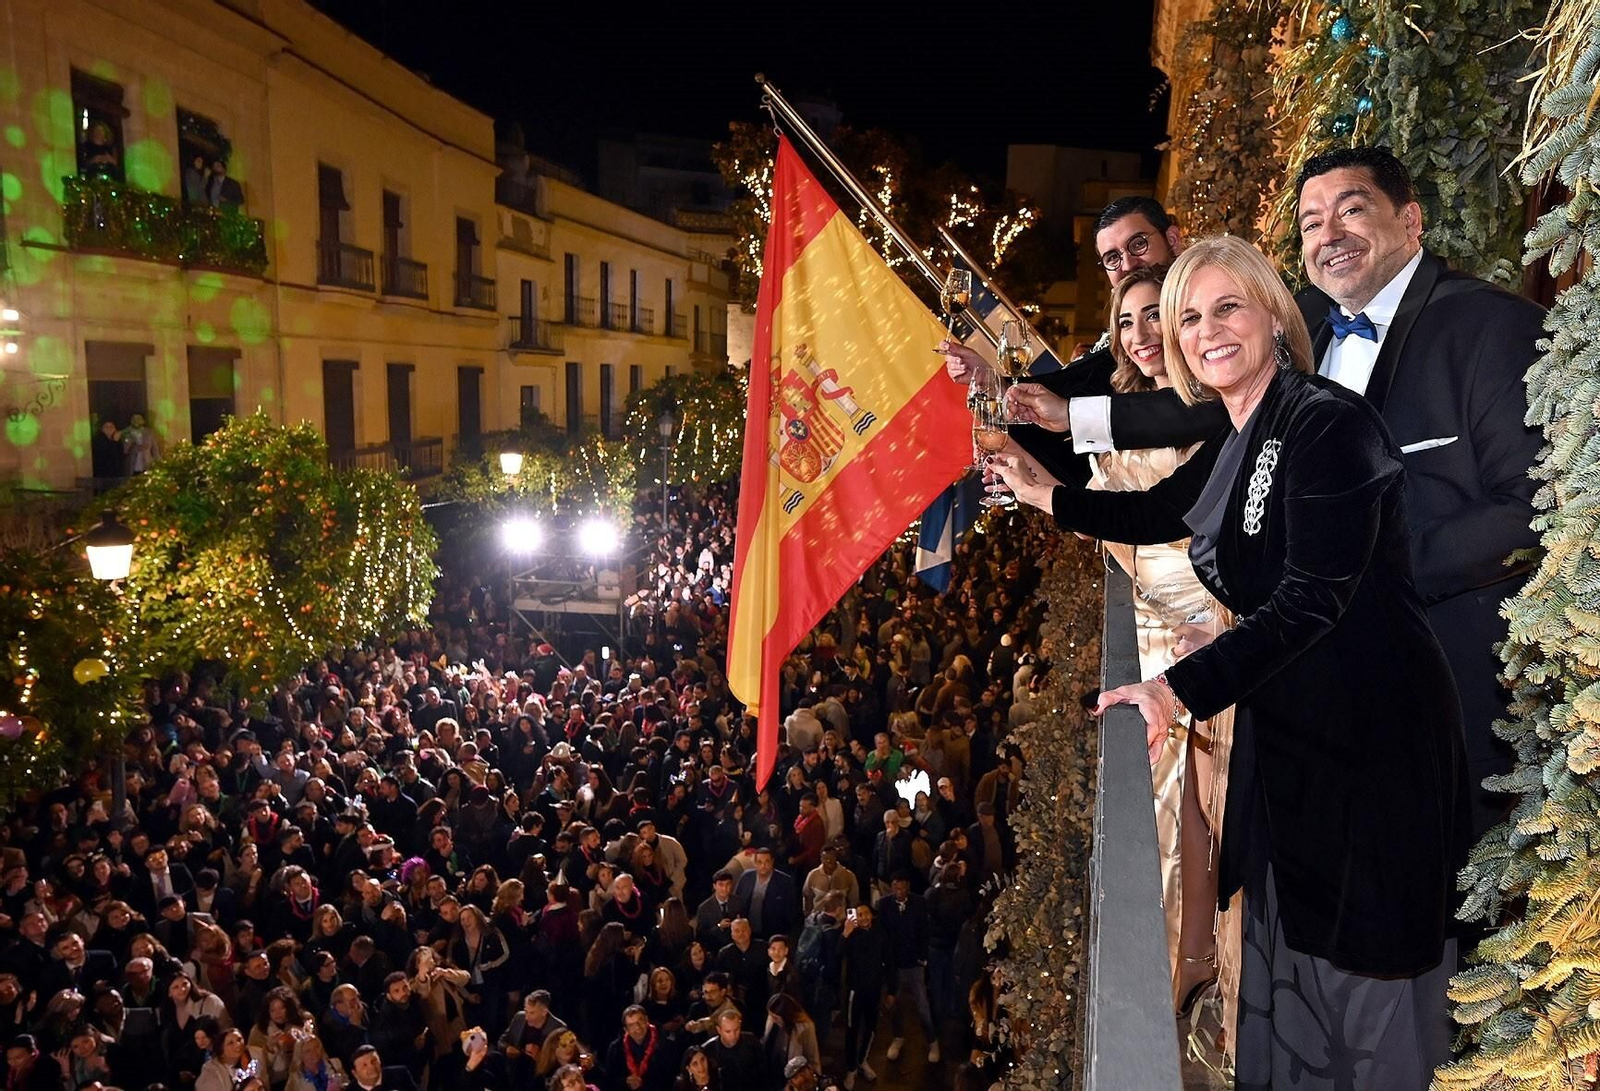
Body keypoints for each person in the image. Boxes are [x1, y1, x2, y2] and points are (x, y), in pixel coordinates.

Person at [993, 234, 1469, 1090]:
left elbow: (1313, 597)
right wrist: (1042, 493)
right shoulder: (1244, 428)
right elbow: (1157, 512)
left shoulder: (1326, 422)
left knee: (1374, 1010)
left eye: (1226, 308)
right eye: (1189, 318)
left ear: (1273, 316)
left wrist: (1174, 688)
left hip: (1370, 748)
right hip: (1296, 741)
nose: (1207, 330)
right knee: (1302, 990)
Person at [1292, 146, 1544, 837]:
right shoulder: (1302, 339)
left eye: (1351, 209)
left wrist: (1376, 573)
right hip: (1327, 697)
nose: (1328, 234)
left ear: (1410, 220)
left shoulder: (1493, 325)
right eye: (1311, 223)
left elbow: (1531, 507)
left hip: (1453, 694)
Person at [602, 1005, 674, 1091]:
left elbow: (670, 1078)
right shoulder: (615, 1048)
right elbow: (609, 1080)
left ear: (646, 1020)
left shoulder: (665, 1044)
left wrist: (643, 1084)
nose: (638, 1027)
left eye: (640, 1021)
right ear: (626, 1030)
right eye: (631, 1025)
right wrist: (625, 1082)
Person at [731, 849, 796, 943]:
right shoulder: (746, 877)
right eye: (759, 862)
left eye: (767, 862)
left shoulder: (784, 881)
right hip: (748, 932)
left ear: (772, 862)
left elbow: (791, 912)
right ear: (755, 863)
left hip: (772, 934)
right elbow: (736, 901)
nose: (763, 866)